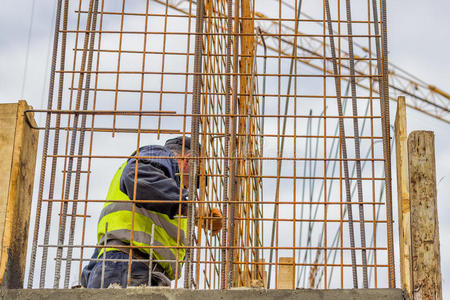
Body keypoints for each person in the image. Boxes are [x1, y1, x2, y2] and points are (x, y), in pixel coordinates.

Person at [81, 136, 222, 288]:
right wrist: (190, 209)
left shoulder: (165, 180)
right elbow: (137, 177)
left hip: (131, 267)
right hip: (127, 265)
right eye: (195, 177)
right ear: (189, 160)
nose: (189, 189)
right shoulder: (159, 154)